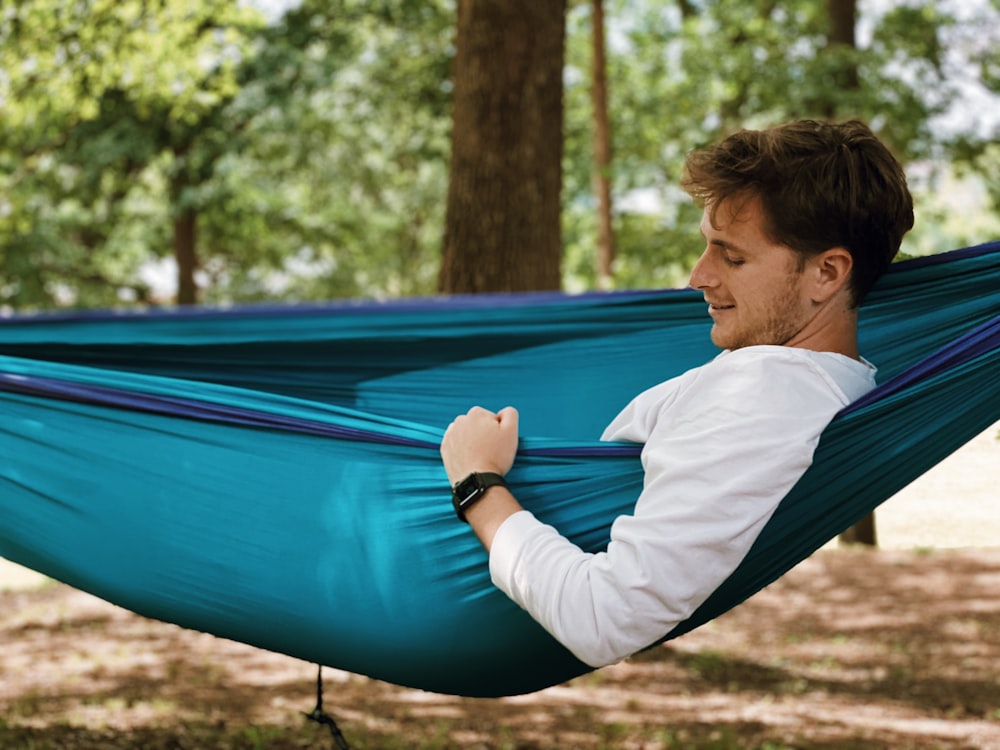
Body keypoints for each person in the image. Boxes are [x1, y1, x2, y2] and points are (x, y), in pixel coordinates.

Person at [440, 119, 914, 668]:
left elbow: (605, 618)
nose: (697, 277)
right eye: (706, 248)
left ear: (827, 274)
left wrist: (477, 483)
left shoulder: (765, 393)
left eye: (731, 257)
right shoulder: (828, 377)